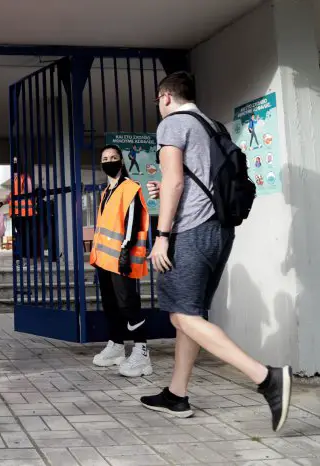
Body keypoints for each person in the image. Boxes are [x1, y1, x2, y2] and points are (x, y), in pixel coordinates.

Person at [143, 71, 292, 432]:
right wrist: (167, 191)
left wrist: (162, 235)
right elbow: (193, 182)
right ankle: (177, 394)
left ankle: (267, 378)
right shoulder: (213, 126)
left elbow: (176, 180)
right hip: (218, 232)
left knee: (182, 316)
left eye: (158, 101)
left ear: (165, 97)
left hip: (189, 232)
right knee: (191, 313)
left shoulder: (173, 124)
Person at [90, 145, 152, 377]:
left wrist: (125, 251)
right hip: (105, 259)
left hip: (121, 258)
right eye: (105, 158)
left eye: (114, 158)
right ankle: (116, 346)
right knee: (111, 304)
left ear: (122, 162)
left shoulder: (129, 188)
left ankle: (142, 352)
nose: (109, 161)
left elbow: (134, 221)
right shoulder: (107, 191)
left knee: (128, 305)